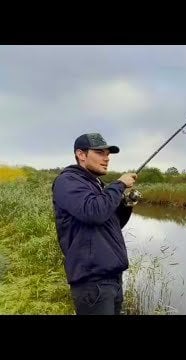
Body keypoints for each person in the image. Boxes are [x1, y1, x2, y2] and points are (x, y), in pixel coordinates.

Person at [52, 133, 137, 315]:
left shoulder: (96, 185)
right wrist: (119, 184)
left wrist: (125, 205)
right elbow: (94, 212)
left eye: (108, 154)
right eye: (100, 153)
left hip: (112, 277)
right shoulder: (68, 181)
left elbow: (111, 224)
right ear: (81, 155)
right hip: (92, 281)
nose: (106, 158)